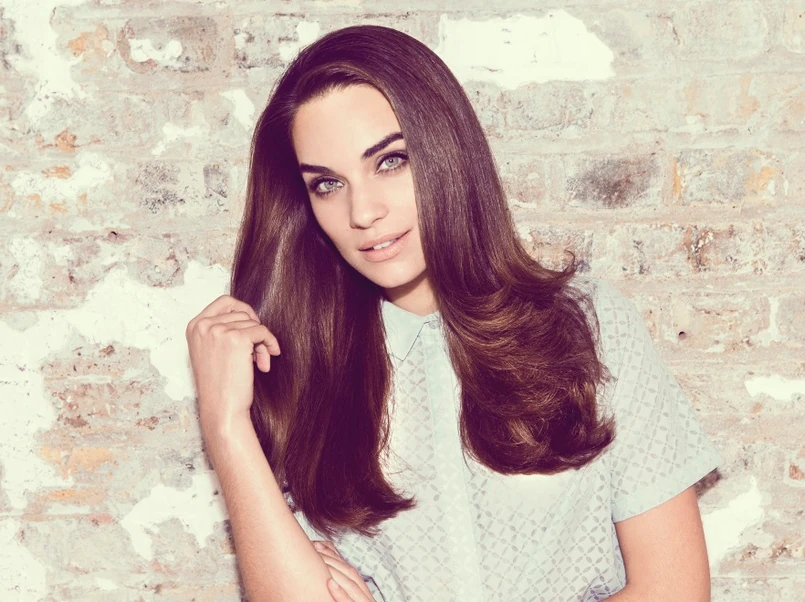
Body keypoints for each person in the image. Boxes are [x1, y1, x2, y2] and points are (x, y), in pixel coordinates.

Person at [185, 25, 721, 602]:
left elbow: (675, 591)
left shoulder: (588, 326)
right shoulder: (297, 368)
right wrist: (226, 425)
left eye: (390, 161)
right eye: (328, 184)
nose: (362, 211)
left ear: (446, 153)